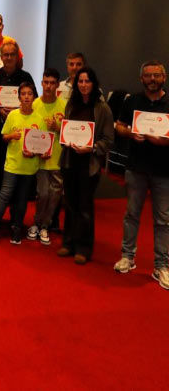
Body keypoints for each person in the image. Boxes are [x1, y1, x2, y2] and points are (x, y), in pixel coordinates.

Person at [113, 60, 169, 289]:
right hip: (136, 167)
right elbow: (119, 125)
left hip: (164, 171)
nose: (152, 79)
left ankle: (162, 266)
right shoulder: (133, 101)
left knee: (163, 220)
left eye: (156, 75)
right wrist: (129, 133)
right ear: (141, 79)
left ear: (163, 78)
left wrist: (163, 141)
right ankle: (128, 256)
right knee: (131, 214)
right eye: (148, 76)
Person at [57, 67, 113, 264]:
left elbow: (108, 140)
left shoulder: (102, 108)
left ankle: (84, 247)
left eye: (87, 81)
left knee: (85, 207)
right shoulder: (71, 105)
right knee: (70, 204)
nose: (83, 85)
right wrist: (65, 139)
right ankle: (68, 242)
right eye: (80, 81)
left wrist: (92, 148)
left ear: (94, 83)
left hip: (89, 164)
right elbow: (65, 133)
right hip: (70, 161)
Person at [0, 81, 45, 246]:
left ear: (33, 97)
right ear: (19, 97)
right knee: (4, 196)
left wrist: (34, 152)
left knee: (22, 199)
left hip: (29, 166)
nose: (26, 97)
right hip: (12, 164)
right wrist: (12, 136)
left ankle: (17, 228)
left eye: (29, 94)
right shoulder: (13, 115)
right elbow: (3, 136)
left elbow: (42, 144)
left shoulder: (39, 118)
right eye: (23, 94)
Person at [28, 68, 66, 244]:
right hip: (39, 159)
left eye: (52, 83)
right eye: (46, 82)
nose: (49, 86)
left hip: (57, 159)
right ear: (41, 83)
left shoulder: (64, 106)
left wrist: (57, 128)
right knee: (42, 194)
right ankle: (37, 222)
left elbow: (70, 133)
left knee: (55, 195)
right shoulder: (34, 104)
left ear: (57, 85)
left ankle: (46, 225)